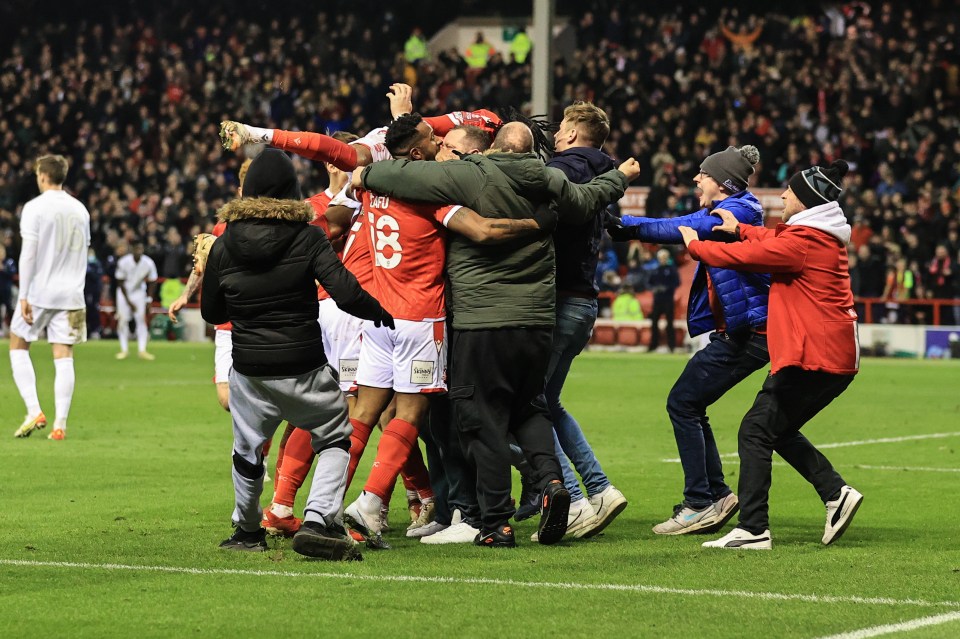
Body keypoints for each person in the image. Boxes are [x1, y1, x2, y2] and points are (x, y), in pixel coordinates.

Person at [360, 121, 640, 547]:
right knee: (530, 410)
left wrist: (363, 173)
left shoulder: (471, 173)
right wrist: (621, 176)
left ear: (492, 147)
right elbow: (586, 201)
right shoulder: (549, 178)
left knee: (480, 420)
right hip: (536, 320)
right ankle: (551, 484)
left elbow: (398, 174)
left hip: (482, 319)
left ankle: (495, 524)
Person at [342, 114, 555, 548]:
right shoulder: (432, 195)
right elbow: (482, 229)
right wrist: (537, 225)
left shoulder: (375, 190)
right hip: (421, 317)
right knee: (415, 416)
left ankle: (320, 506)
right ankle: (372, 502)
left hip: (378, 314)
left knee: (364, 414)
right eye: (433, 140)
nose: (440, 143)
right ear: (417, 154)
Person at [201, 148, 393, 559]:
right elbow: (343, 289)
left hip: (249, 367)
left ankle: (247, 531)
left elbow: (212, 312)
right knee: (336, 437)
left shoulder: (224, 242)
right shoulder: (308, 237)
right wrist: (378, 312)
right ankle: (318, 518)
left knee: (247, 450)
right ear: (292, 191)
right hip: (302, 362)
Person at [681, 160, 864, 549]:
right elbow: (769, 242)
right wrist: (740, 228)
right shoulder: (813, 236)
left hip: (814, 357)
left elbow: (747, 257)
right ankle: (835, 493)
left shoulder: (805, 242)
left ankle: (752, 529)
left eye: (790, 192)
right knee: (775, 430)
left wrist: (697, 247)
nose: (782, 195)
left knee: (755, 430)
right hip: (828, 357)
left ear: (807, 201)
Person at [606, 145, 769, 536]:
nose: (696, 179)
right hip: (744, 332)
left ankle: (699, 502)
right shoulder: (740, 207)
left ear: (723, 183)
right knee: (691, 403)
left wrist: (620, 224)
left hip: (747, 334)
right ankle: (715, 494)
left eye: (703, 174)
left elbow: (677, 227)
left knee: (683, 403)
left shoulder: (738, 211)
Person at [515, 101, 628, 540]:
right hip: (583, 302)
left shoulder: (566, 170)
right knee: (550, 402)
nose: (556, 134)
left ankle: (574, 501)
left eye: (563, 127)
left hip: (557, 302)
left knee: (529, 406)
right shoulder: (602, 174)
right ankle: (600, 490)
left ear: (577, 135)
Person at [10, 155, 90, 441]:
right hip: (72, 294)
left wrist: (24, 294)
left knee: (18, 343)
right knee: (64, 354)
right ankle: (60, 425)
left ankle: (34, 410)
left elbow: (28, 253)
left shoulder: (35, 208)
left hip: (41, 291)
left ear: (43, 176)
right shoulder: (81, 210)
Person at [114, 241, 158, 361]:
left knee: (141, 320)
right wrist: (128, 302)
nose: (139, 251)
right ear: (132, 249)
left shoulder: (148, 262)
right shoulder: (123, 262)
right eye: (136, 248)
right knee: (122, 320)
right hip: (124, 293)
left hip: (139, 292)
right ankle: (124, 349)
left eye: (140, 248)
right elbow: (120, 282)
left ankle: (142, 350)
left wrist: (149, 300)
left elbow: (153, 280)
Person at [646, 248, 680, 352]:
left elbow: (677, 282)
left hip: (668, 299)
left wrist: (666, 288)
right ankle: (653, 345)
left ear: (667, 258)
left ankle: (671, 346)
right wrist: (654, 288)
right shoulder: (656, 270)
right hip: (657, 300)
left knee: (669, 323)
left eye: (664, 257)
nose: (662, 259)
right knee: (654, 322)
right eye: (660, 258)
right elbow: (649, 283)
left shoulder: (672, 269)